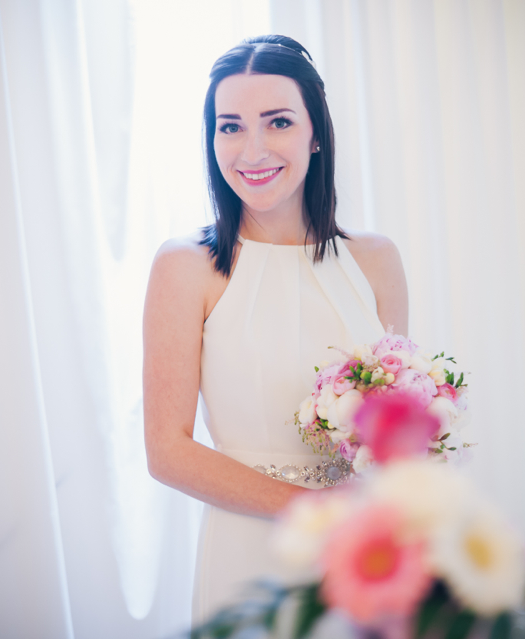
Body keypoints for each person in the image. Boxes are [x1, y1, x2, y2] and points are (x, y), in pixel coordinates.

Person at [142, 35, 409, 624]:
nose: (250, 149)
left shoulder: (375, 259)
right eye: (229, 126)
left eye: (278, 121)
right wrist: (316, 511)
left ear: (316, 133)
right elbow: (167, 451)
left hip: (363, 554)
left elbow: (393, 428)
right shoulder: (187, 266)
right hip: (248, 547)